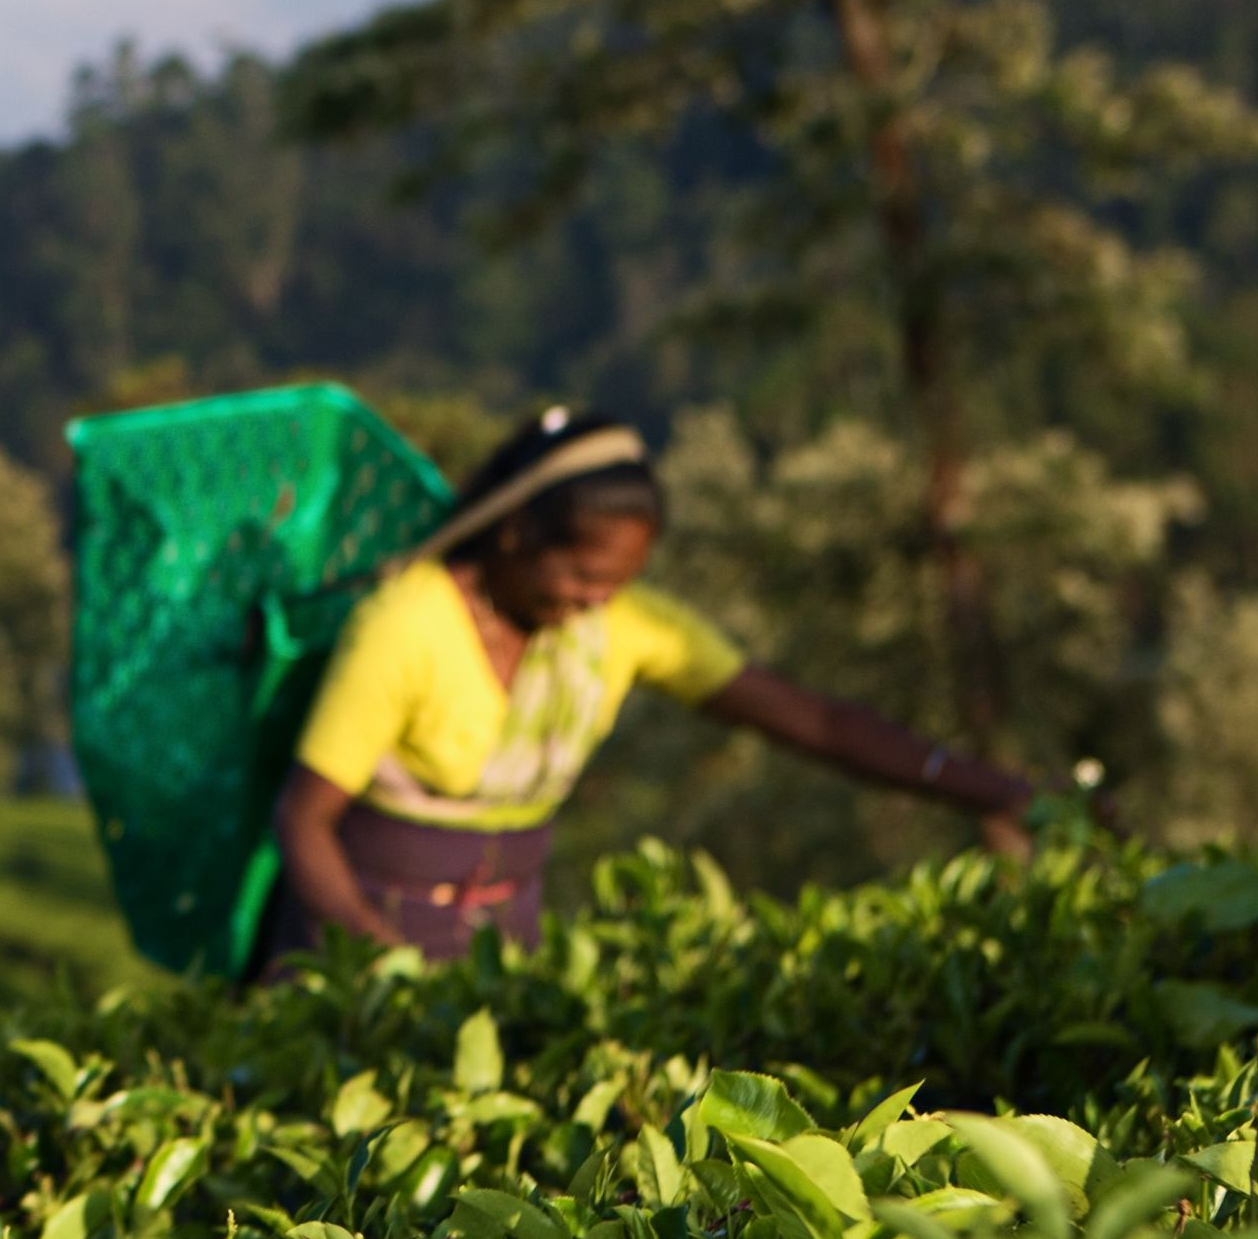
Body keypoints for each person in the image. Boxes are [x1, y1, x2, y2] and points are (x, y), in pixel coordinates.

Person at [264, 408, 1035, 965]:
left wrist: (990, 790)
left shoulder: (619, 630)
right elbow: (305, 819)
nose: (595, 600)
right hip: (349, 952)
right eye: (581, 574)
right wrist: (379, 963)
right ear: (516, 535)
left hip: (499, 959)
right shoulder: (408, 622)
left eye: (617, 583)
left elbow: (810, 722)